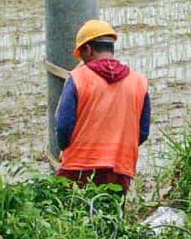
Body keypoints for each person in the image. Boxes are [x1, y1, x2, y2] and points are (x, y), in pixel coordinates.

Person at [55, 20, 150, 193]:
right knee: (112, 217)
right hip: (119, 169)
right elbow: (142, 133)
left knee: (76, 217)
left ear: (88, 49)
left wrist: (64, 148)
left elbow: (63, 127)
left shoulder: (78, 78)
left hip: (78, 169)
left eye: (82, 54)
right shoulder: (139, 82)